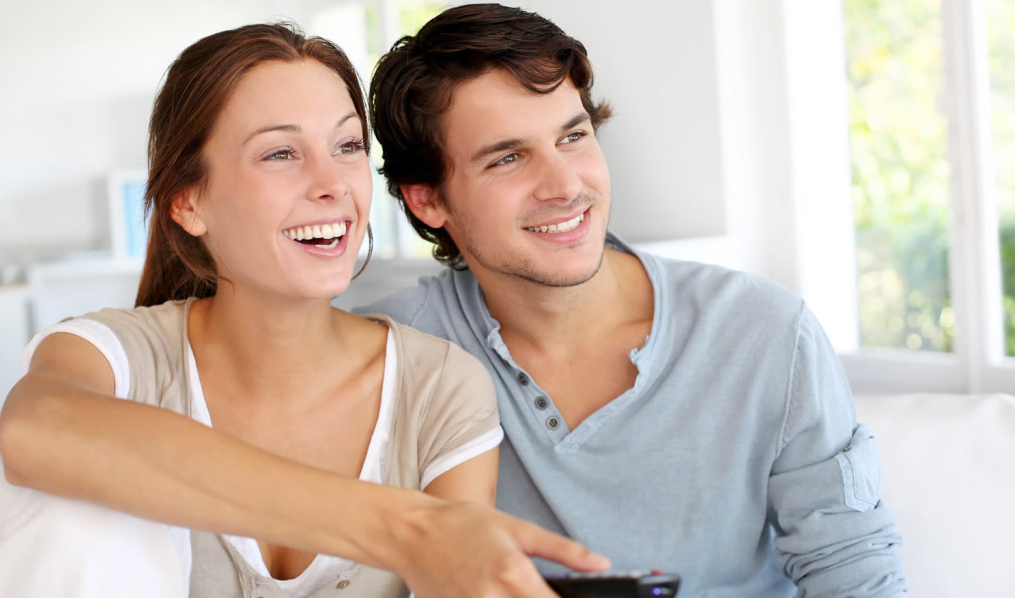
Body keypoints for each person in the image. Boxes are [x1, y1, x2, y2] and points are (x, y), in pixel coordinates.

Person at [0, 22, 608, 598]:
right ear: (188, 202)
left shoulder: (438, 384)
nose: (332, 182)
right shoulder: (116, 356)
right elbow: (31, 431)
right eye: (280, 154)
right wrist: (402, 527)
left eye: (346, 145)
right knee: (70, 493)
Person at [360, 3, 909, 596]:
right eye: (508, 157)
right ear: (427, 201)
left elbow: (853, 570)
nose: (566, 186)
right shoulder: (392, 353)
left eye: (573, 136)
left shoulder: (767, 332)